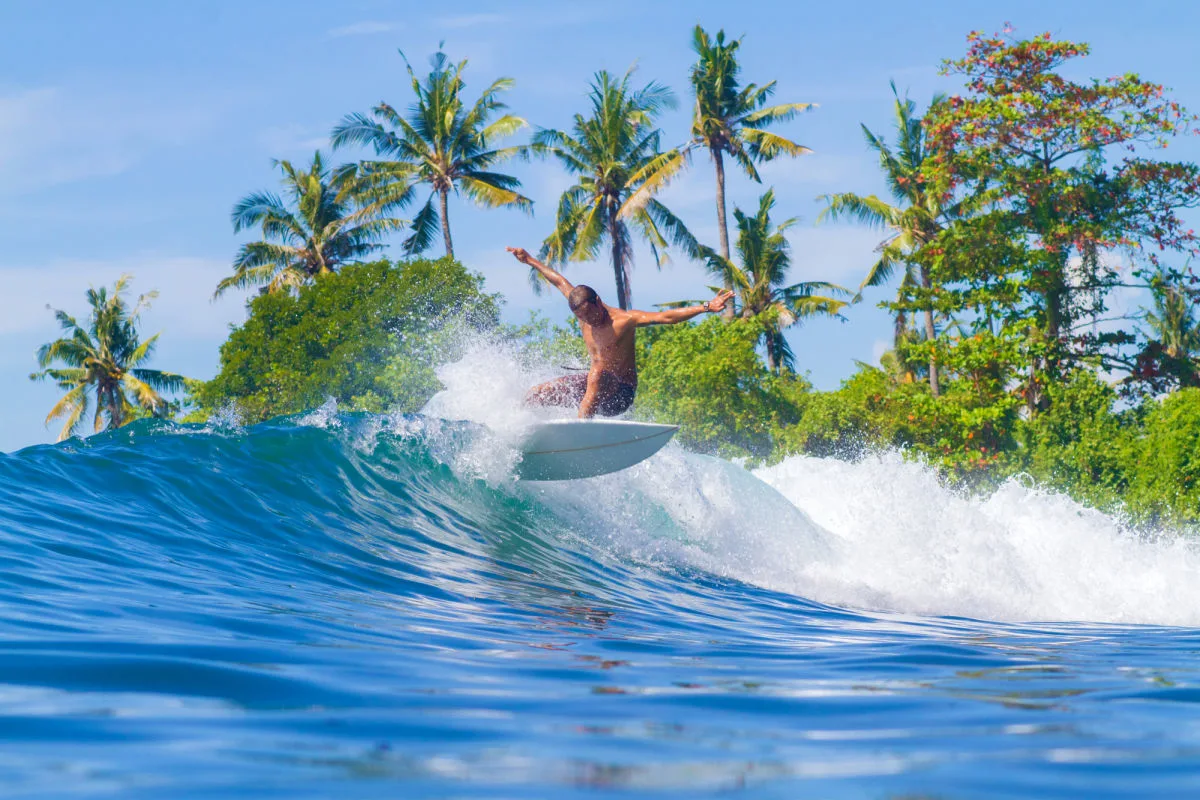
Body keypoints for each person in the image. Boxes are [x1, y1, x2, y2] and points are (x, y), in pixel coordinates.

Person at [506, 246, 735, 418]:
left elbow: (666, 317)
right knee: (538, 392)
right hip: (593, 390)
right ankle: (513, 425)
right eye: (582, 318)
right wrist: (529, 260)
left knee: (595, 373)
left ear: (598, 301)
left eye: (591, 315)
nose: (588, 321)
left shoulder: (623, 321)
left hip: (620, 395)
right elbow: (559, 281)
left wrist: (706, 306)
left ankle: (580, 433)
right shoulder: (582, 309)